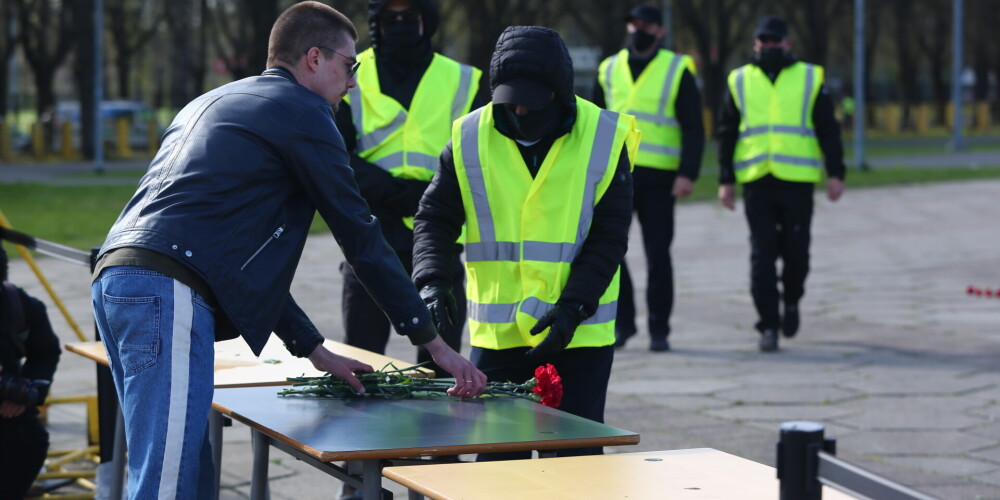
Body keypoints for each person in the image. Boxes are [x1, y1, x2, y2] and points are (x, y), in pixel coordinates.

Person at [90, 3, 485, 498]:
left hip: (120, 280)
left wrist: (315, 349)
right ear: (314, 58)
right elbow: (360, 235)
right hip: (165, 290)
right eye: (350, 66)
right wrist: (434, 343)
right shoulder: (304, 112)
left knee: (188, 469)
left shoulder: (213, 101)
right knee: (166, 485)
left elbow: (229, 261)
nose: (354, 83)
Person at [412, 26, 638, 458]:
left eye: (532, 101)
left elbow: (609, 238)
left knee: (576, 467)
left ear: (560, 95)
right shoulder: (468, 137)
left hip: (580, 336)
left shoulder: (605, 138)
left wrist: (573, 307)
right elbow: (433, 220)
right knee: (496, 467)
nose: (518, 109)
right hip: (497, 340)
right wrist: (433, 281)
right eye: (509, 99)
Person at [335, 0, 485, 375]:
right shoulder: (349, 72)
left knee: (440, 371)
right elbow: (335, 153)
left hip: (437, 240)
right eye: (390, 17)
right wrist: (391, 191)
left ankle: (433, 434)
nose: (399, 24)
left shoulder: (465, 80)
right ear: (376, 22)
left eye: (409, 16)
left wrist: (429, 198)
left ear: (426, 20)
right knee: (362, 364)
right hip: (369, 236)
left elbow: (477, 157)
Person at [716, 15, 845, 352]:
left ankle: (791, 301)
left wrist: (836, 173)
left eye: (775, 41)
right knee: (762, 255)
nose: (769, 46)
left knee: (796, 254)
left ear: (787, 43)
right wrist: (725, 179)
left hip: (797, 182)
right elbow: (727, 131)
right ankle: (768, 325)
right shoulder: (740, 79)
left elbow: (828, 129)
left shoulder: (809, 78)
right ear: (755, 43)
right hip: (757, 180)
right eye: (763, 41)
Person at [593, 4, 704, 352]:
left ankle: (660, 329)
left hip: (660, 179)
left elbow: (693, 127)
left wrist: (687, 173)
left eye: (644, 25)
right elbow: (593, 123)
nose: (636, 29)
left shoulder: (676, 69)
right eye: (632, 23)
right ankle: (623, 324)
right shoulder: (609, 68)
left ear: (659, 31)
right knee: (611, 252)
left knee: (658, 254)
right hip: (617, 175)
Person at [0, 245, 61, 500]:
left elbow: (45, 352)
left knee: (30, 439)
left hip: (7, 415)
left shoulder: (18, 305)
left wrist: (23, 393)